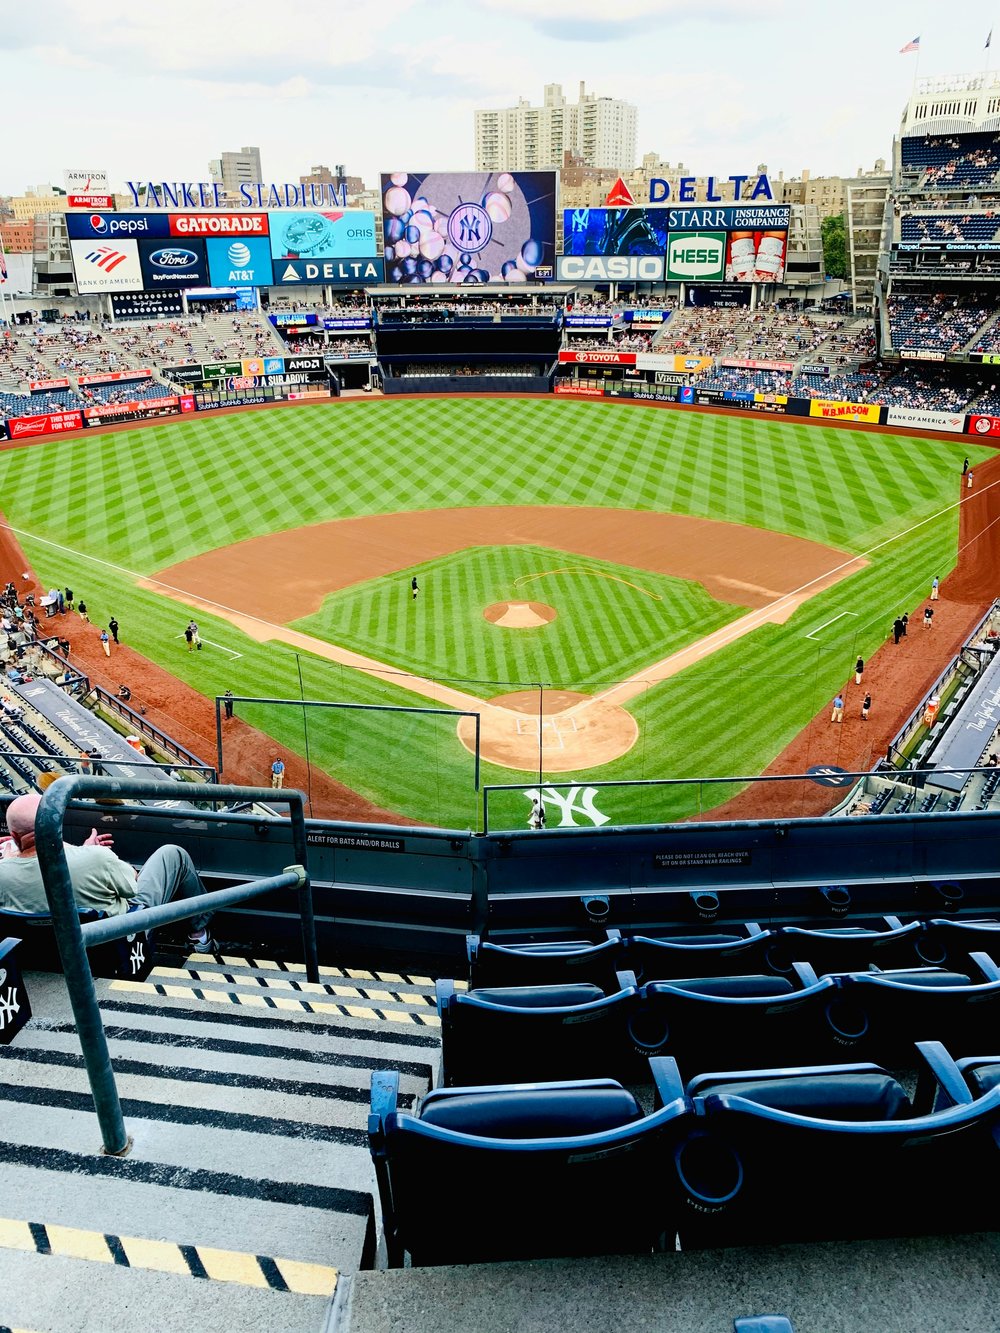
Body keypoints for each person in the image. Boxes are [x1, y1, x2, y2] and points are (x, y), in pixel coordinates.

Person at [0, 793, 214, 949]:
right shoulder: (95, 857)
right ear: (56, 823)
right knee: (172, 854)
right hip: (119, 943)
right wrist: (91, 853)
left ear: (14, 836)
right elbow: (132, 885)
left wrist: (9, 860)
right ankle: (199, 936)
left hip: (46, 954)